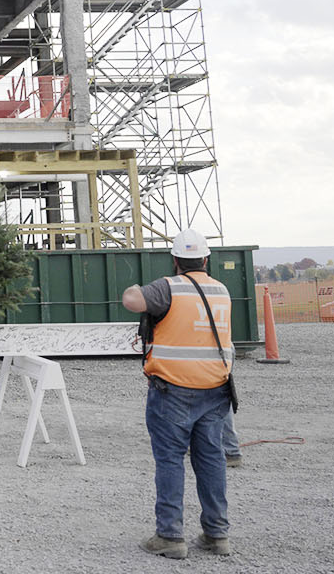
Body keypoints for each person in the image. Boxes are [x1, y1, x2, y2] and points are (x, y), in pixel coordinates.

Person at [123, 227, 236, 559]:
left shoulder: (168, 288)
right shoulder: (222, 290)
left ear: (175, 260)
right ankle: (217, 534)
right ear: (205, 259)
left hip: (172, 390)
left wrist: (134, 286)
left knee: (170, 460)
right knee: (211, 459)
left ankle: (170, 536)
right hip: (215, 390)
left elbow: (132, 300)